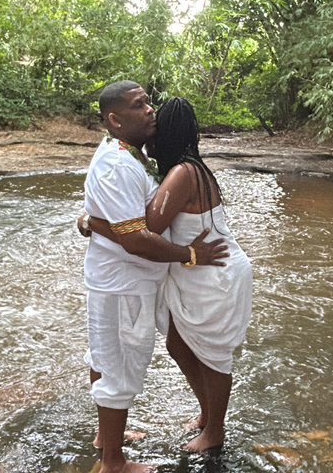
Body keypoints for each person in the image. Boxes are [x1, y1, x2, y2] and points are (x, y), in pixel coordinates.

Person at [85, 97, 253, 453]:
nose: (150, 125)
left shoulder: (182, 173)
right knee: (179, 344)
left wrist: (92, 221)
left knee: (214, 355)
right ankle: (207, 415)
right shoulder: (180, 168)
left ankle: (214, 430)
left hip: (214, 269)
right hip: (199, 268)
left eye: (156, 123)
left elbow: (144, 228)